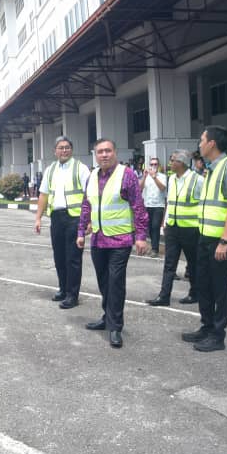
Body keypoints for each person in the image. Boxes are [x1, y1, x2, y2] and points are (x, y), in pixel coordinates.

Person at [76, 139, 149, 348]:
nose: (104, 155)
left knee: (116, 282)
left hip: (120, 240)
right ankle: (106, 317)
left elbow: (138, 207)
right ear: (95, 155)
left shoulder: (126, 175)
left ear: (115, 152)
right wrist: (81, 231)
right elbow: (86, 206)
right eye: (100, 152)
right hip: (98, 239)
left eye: (108, 151)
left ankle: (115, 326)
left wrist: (141, 236)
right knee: (103, 281)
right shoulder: (91, 176)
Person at [182, 125, 227, 353]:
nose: (199, 144)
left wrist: (225, 240)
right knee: (203, 284)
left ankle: (218, 335)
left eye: (202, 140)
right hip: (205, 235)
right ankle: (206, 326)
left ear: (212, 143)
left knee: (219, 287)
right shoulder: (211, 168)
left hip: (220, 240)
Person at [34, 136, 91, 309]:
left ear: (71, 150)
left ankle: (73, 295)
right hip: (56, 218)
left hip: (75, 218)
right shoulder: (50, 170)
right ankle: (63, 289)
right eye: (60, 147)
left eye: (67, 147)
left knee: (73, 258)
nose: (64, 150)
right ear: (55, 151)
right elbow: (43, 195)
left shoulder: (81, 168)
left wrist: (88, 220)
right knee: (59, 256)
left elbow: (90, 195)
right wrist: (38, 218)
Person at [145, 149, 203, 307]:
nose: (170, 163)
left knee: (193, 263)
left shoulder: (197, 180)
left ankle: (195, 293)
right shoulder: (172, 179)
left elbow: (204, 204)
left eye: (173, 160)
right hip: (173, 228)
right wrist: (166, 221)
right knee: (169, 263)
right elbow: (169, 202)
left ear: (182, 163)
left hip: (191, 229)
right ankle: (164, 296)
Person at [140, 157, 167, 257]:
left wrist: (154, 177)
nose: (153, 166)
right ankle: (153, 246)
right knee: (150, 228)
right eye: (151, 164)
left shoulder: (162, 176)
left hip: (158, 205)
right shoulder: (146, 177)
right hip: (147, 205)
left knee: (155, 226)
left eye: (155, 164)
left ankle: (155, 249)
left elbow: (162, 188)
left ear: (158, 166)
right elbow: (139, 188)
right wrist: (144, 177)